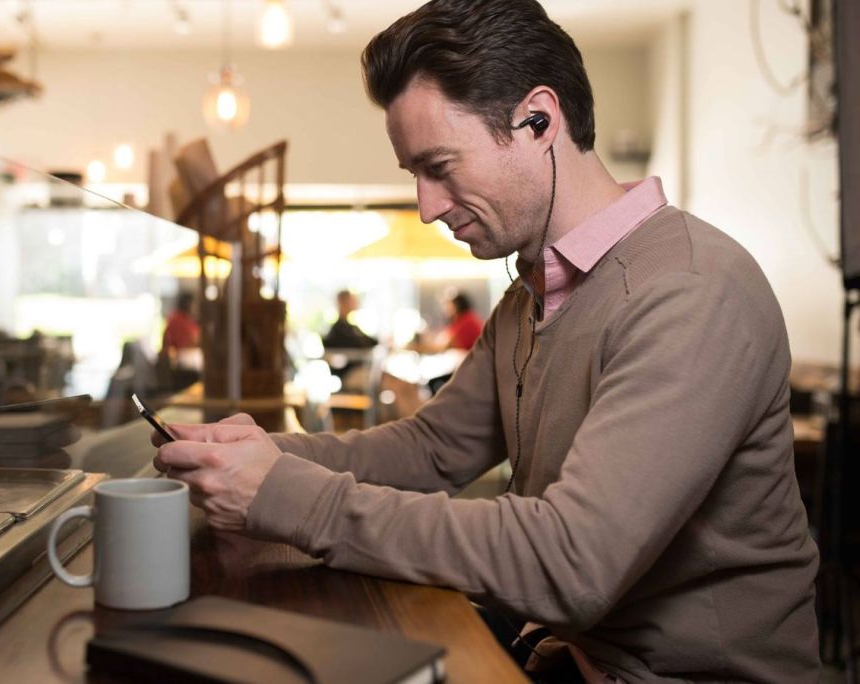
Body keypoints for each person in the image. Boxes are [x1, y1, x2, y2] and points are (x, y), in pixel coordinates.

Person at [153, 1, 820, 681]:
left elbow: (569, 563)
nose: (426, 205)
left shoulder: (689, 289)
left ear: (538, 120)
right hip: (569, 654)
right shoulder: (533, 289)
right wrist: (266, 456)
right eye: (415, 174)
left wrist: (288, 497)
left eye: (439, 166)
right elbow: (435, 446)